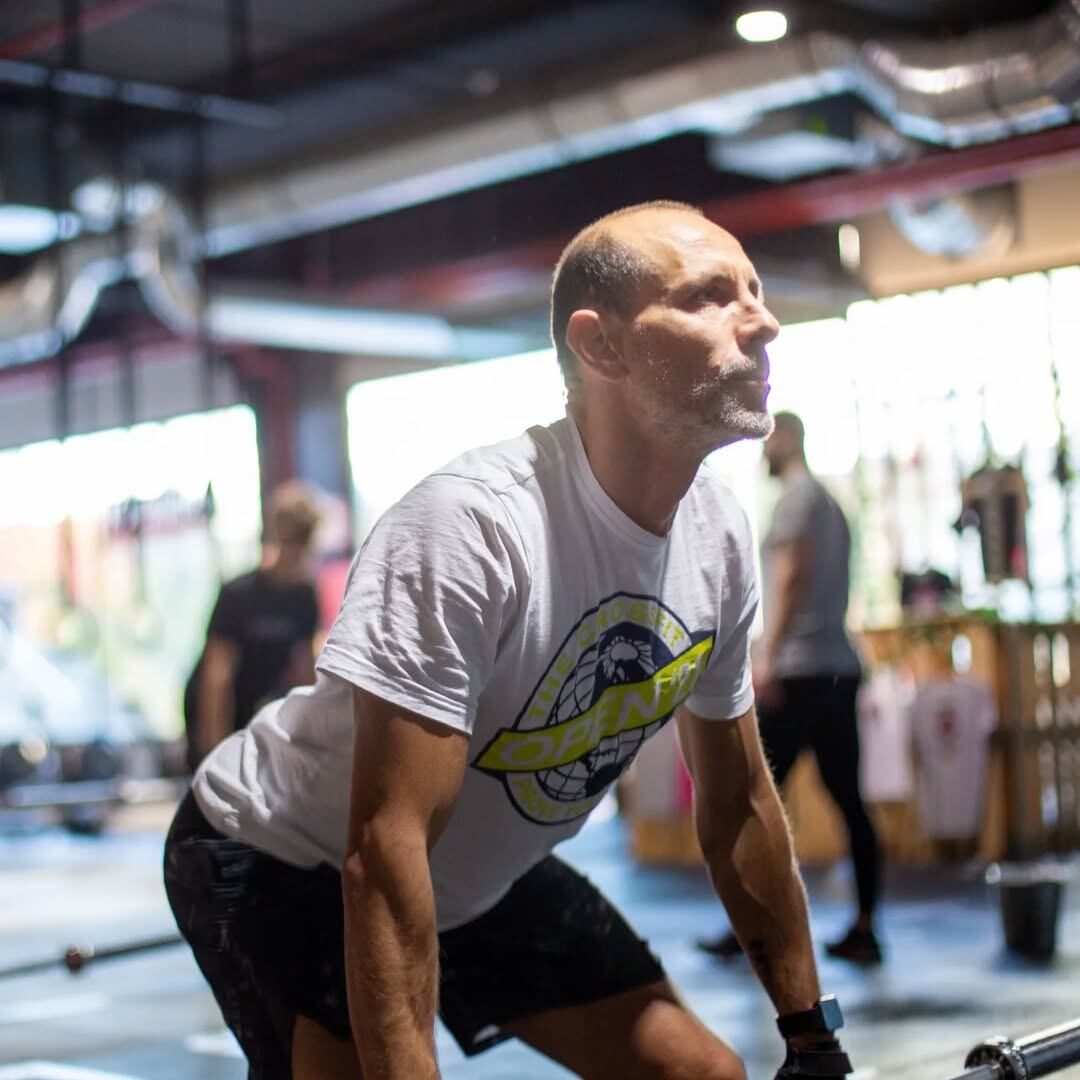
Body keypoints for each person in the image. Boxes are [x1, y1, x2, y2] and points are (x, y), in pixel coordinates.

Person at [164, 202, 854, 1080]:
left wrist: (811, 1034)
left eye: (753, 290)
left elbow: (740, 801)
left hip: (476, 877)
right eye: (708, 298)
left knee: (705, 1076)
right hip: (278, 853)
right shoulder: (473, 529)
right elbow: (384, 850)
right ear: (600, 347)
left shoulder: (717, 531)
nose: (762, 321)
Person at [698, 412, 883, 965]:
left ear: (788, 440)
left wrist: (768, 657)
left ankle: (752, 926)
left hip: (803, 669)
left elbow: (791, 576)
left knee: (752, 795)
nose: (762, 451)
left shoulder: (796, 500)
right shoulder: (833, 503)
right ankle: (866, 925)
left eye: (768, 440)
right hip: (838, 667)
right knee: (848, 799)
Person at [182, 480, 320, 772]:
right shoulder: (239, 594)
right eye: (292, 536)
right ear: (278, 534)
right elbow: (216, 680)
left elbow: (307, 675)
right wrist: (214, 756)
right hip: (212, 711)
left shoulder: (304, 597)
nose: (297, 548)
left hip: (253, 711)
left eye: (303, 538)